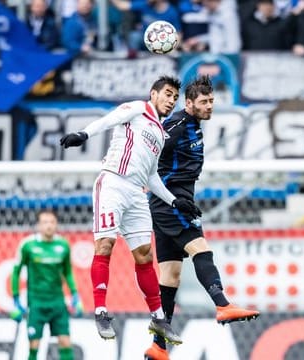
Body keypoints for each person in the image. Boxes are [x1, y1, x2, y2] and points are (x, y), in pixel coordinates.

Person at [59, 76, 199, 345]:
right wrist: (84, 134)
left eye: (174, 97)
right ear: (153, 94)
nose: (171, 101)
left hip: (137, 193)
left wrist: (174, 201)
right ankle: (100, 311)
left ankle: (158, 318)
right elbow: (109, 119)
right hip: (113, 182)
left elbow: (152, 177)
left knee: (145, 254)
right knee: (105, 245)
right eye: (167, 94)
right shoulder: (138, 108)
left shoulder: (160, 132)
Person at [145, 76, 260, 360]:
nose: (209, 106)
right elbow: (147, 158)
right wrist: (174, 198)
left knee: (170, 274)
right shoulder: (175, 127)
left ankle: (159, 347)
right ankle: (222, 304)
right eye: (204, 102)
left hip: (172, 204)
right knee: (201, 249)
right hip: (170, 205)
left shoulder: (194, 125)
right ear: (188, 103)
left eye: (211, 101)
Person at [11, 209, 83, 360]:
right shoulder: (28, 245)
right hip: (36, 303)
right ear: (38, 225)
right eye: (45, 222)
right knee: (34, 345)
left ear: (56, 224)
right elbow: (16, 271)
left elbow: (68, 272)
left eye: (51, 222)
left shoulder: (63, 245)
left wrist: (75, 294)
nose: (48, 226)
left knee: (65, 341)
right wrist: (16, 299)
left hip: (58, 302)